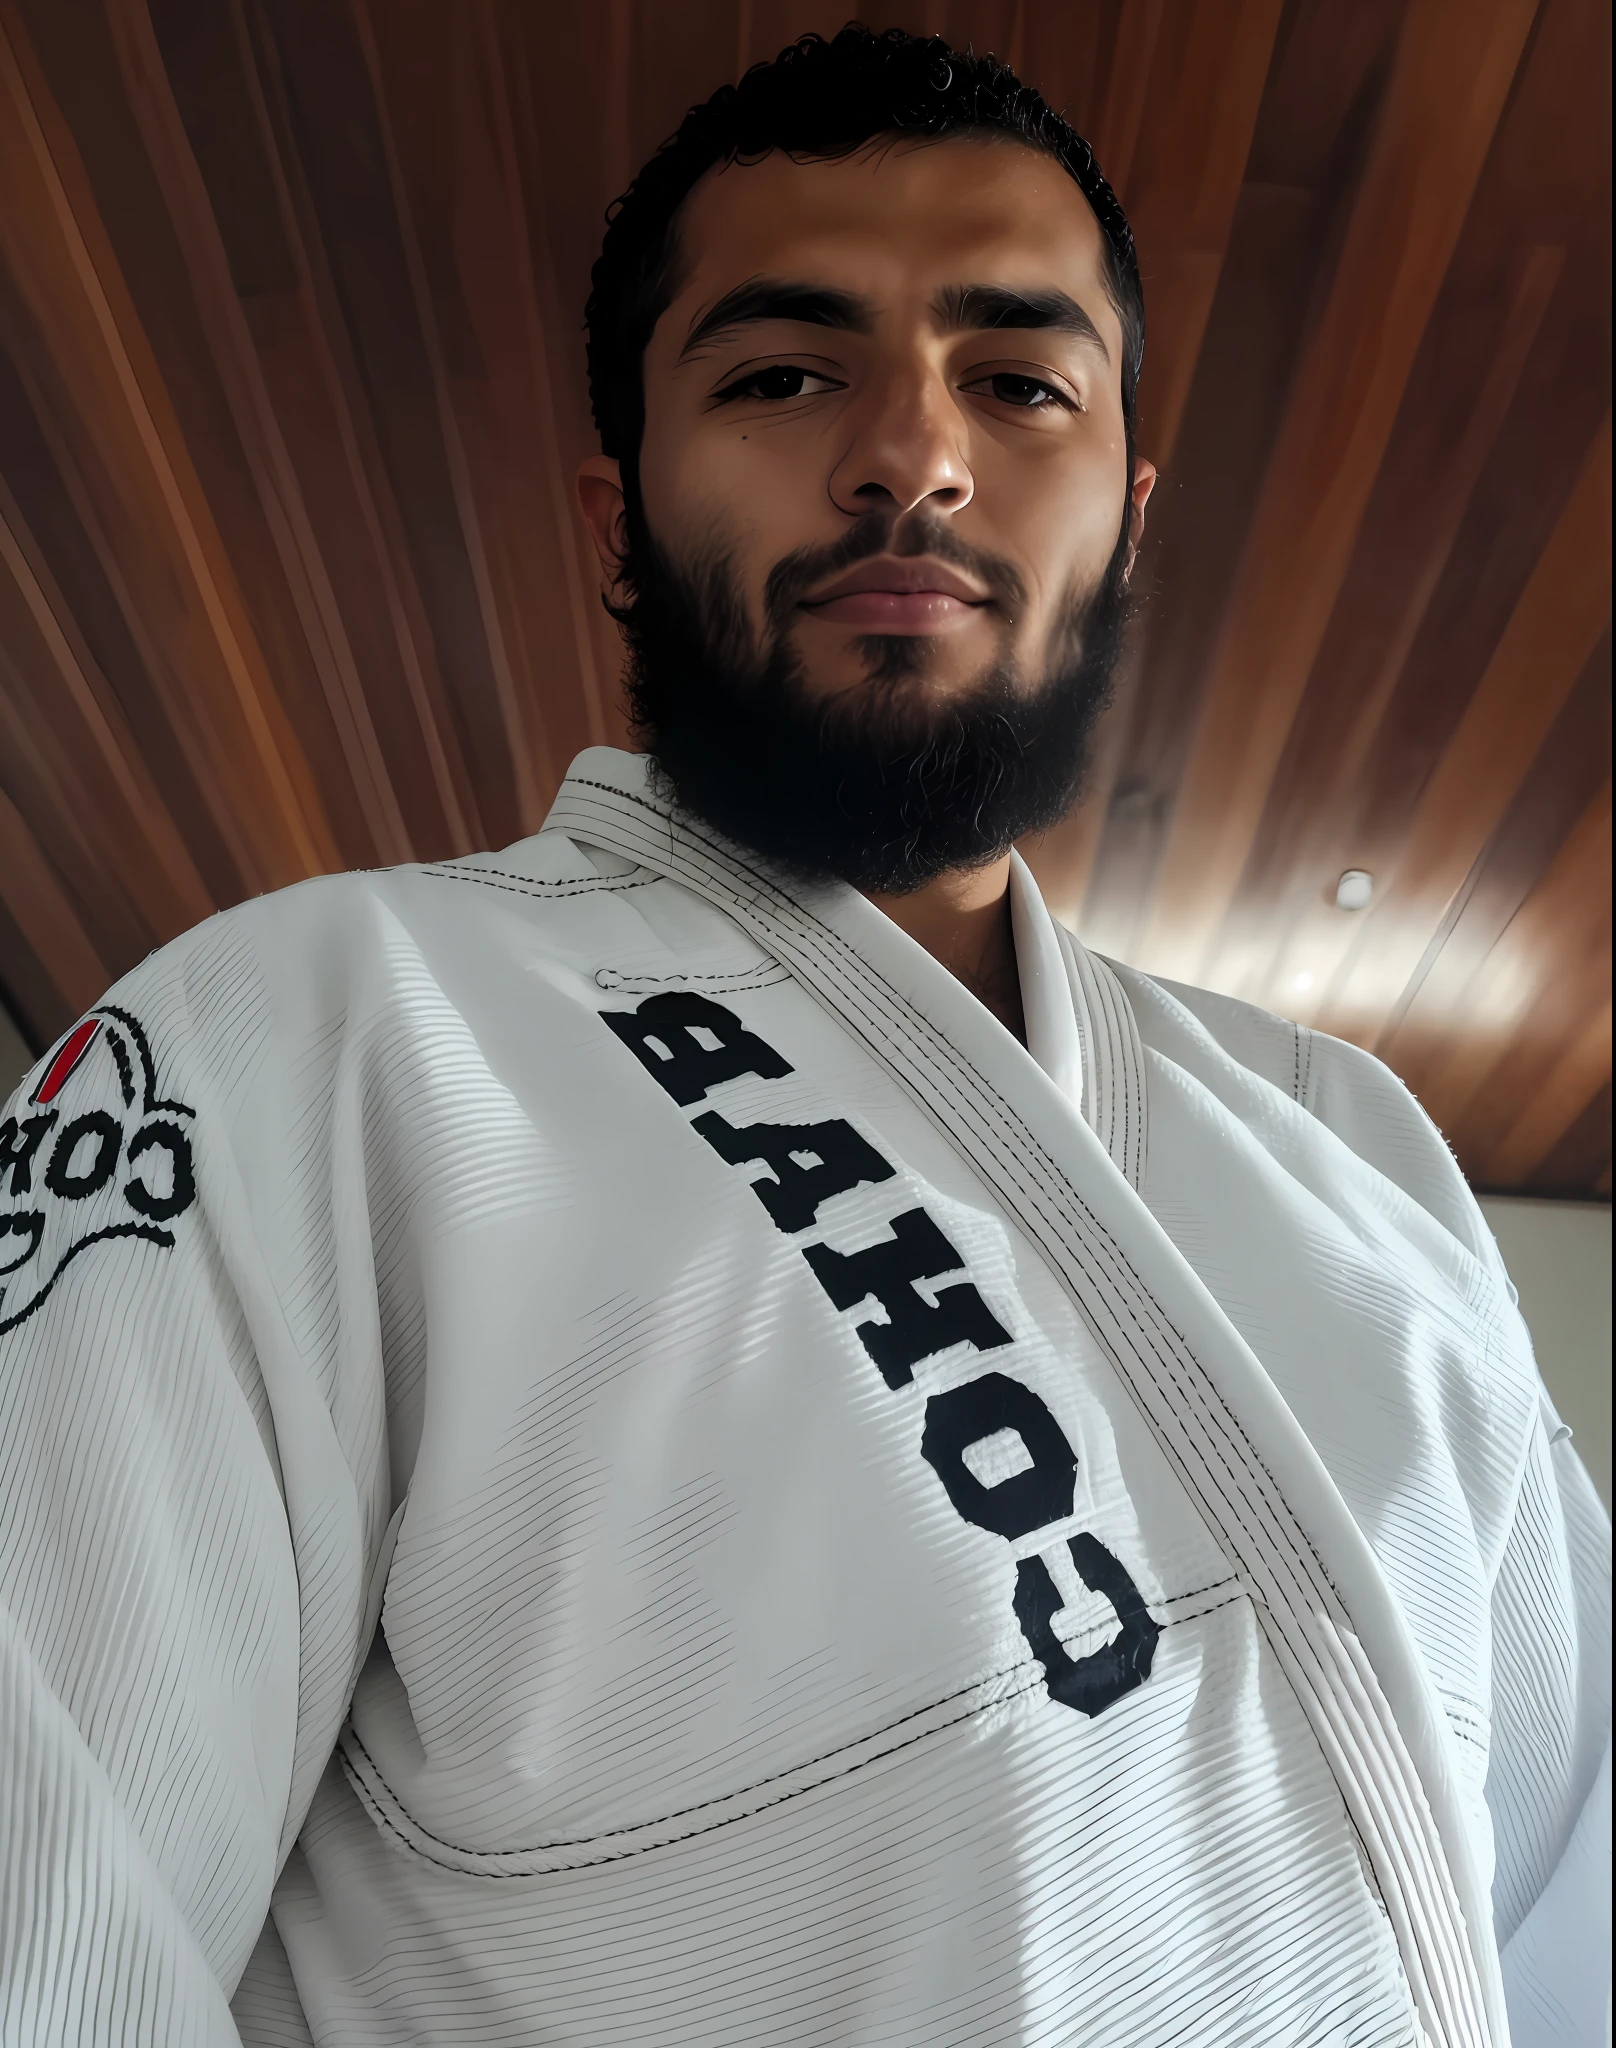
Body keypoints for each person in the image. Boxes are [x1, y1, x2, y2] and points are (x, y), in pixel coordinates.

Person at [0, 27, 1606, 2048]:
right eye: (780, 373)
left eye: (1018, 381)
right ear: (615, 518)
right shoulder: (314, 1039)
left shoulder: (1349, 1145)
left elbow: (1547, 1881)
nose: (908, 454)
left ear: (1125, 510)